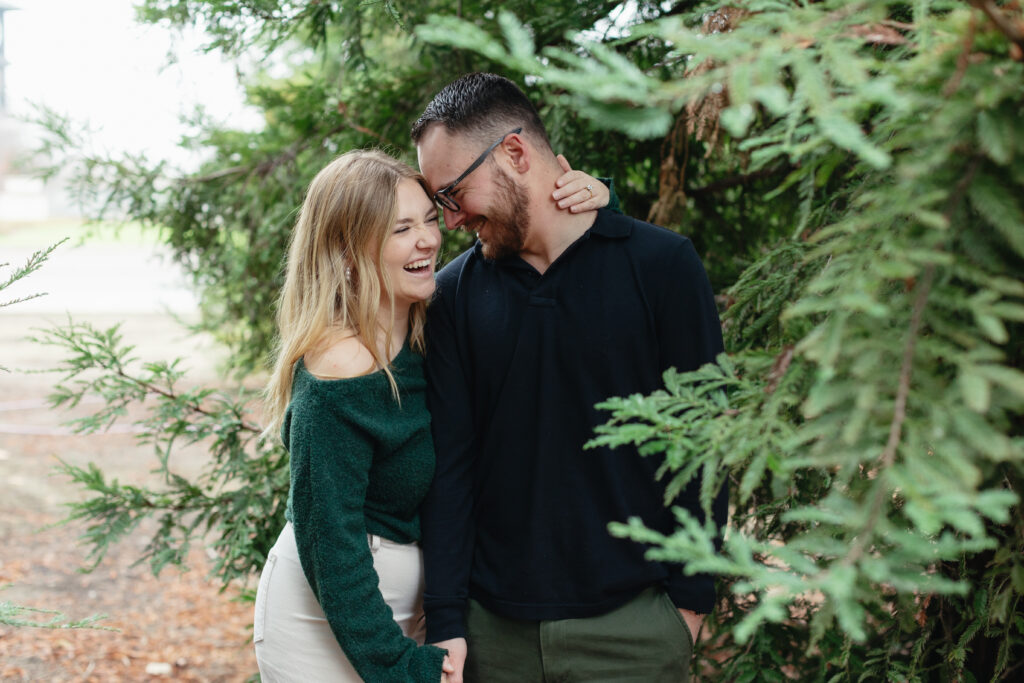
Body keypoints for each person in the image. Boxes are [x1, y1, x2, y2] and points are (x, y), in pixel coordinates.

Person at [412, 73, 729, 683]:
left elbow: (705, 439)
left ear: (512, 152)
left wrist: (689, 604)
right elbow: (451, 464)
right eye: (438, 204)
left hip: (635, 629)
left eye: (453, 194)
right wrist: (449, 618)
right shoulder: (451, 296)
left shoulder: (662, 267)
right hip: (491, 635)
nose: (450, 221)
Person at [252, 148, 608, 682]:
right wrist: (399, 668)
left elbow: (527, 247)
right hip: (325, 617)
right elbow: (332, 544)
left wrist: (594, 198)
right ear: (348, 252)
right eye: (401, 229)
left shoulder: (434, 321)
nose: (428, 240)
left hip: (407, 608)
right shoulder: (339, 372)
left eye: (428, 219)